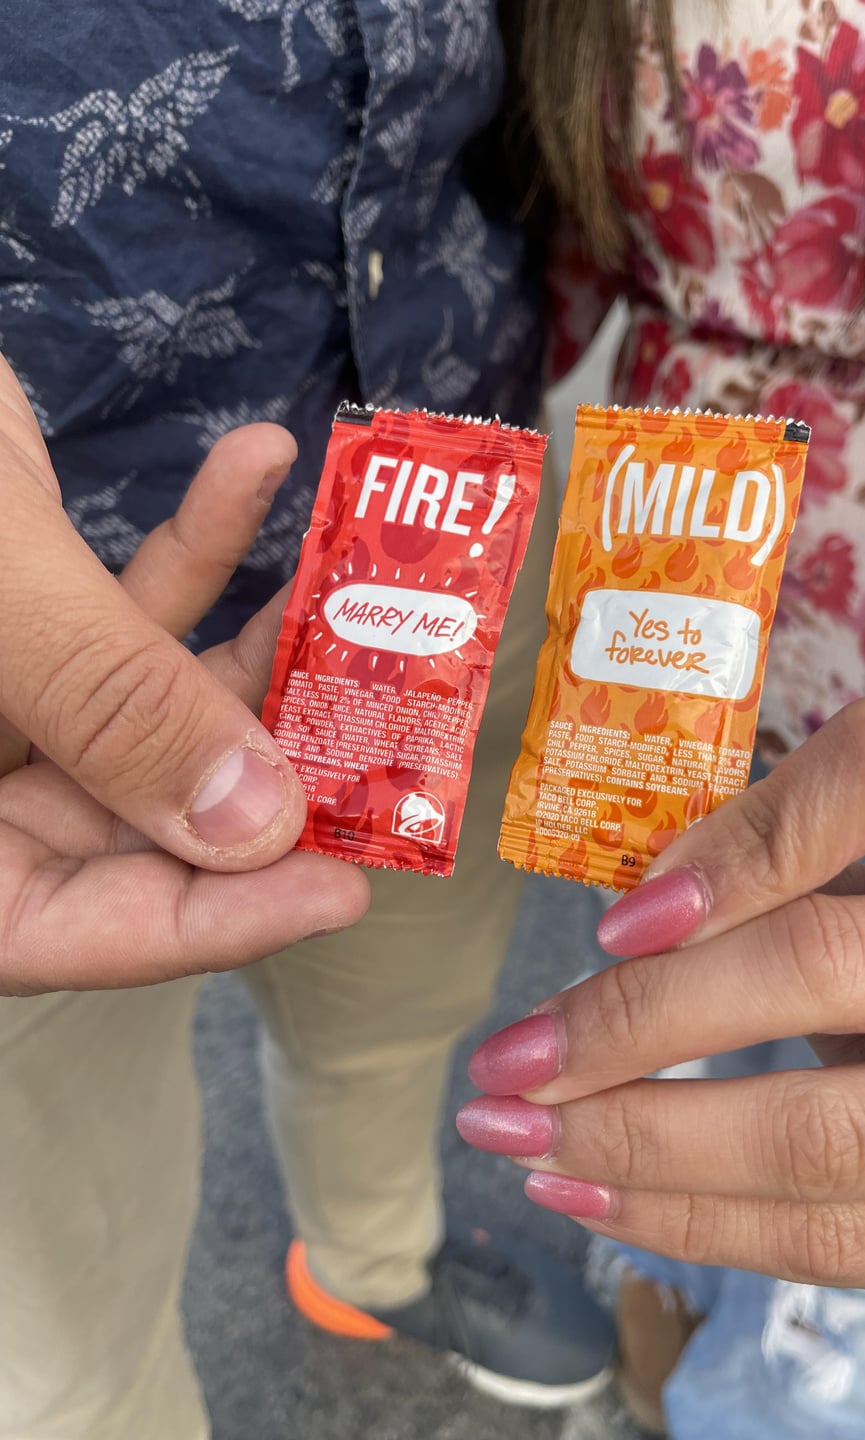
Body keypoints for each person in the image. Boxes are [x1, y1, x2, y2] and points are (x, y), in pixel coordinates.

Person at [457, 1, 865, 1437]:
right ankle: (665, 1267)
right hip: (668, 583)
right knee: (681, 987)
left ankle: (783, 1388)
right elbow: (547, 253)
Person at [0, 6, 613, 1438]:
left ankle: (370, 1261)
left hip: (453, 539)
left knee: (396, 1013)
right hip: (35, 645)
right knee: (61, 1315)